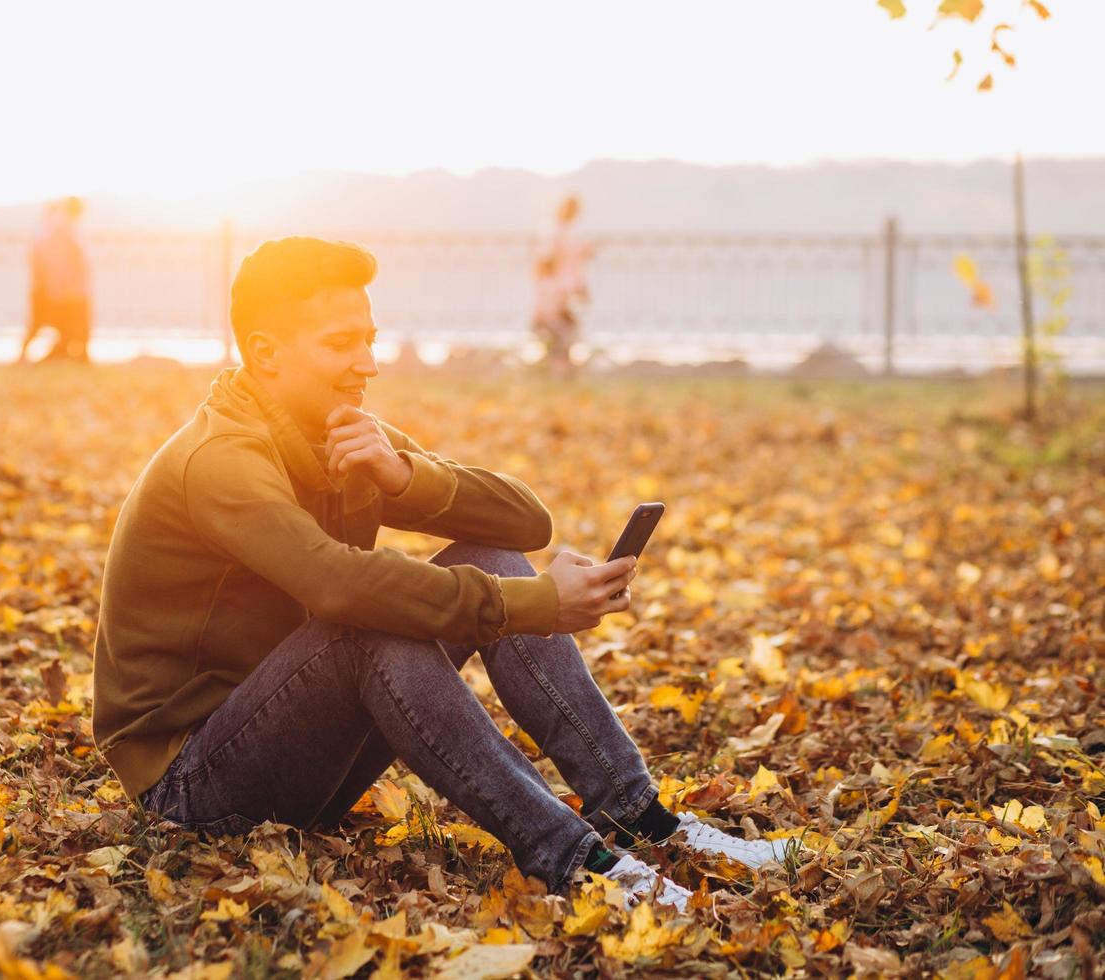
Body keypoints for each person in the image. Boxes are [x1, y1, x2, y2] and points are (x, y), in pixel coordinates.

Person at [91, 237, 791, 906]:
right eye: (341, 343)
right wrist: (539, 605)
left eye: (368, 338)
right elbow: (335, 585)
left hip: (299, 757)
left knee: (485, 560)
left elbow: (525, 526)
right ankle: (578, 862)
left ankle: (640, 816)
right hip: (190, 786)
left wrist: (402, 475)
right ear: (267, 354)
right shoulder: (218, 460)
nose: (367, 362)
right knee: (361, 624)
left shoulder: (337, 429)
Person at [18, 196, 91, 363]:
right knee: (55, 323)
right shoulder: (59, 230)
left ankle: (70, 355)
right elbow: (56, 261)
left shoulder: (57, 229)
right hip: (62, 288)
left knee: (64, 324)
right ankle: (73, 356)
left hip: (63, 287)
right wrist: (57, 286)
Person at [532, 194, 591, 379]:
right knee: (560, 330)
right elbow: (545, 262)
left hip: (562, 291)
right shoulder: (553, 232)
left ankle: (558, 370)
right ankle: (555, 370)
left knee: (563, 331)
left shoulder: (563, 232)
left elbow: (569, 263)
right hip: (554, 291)